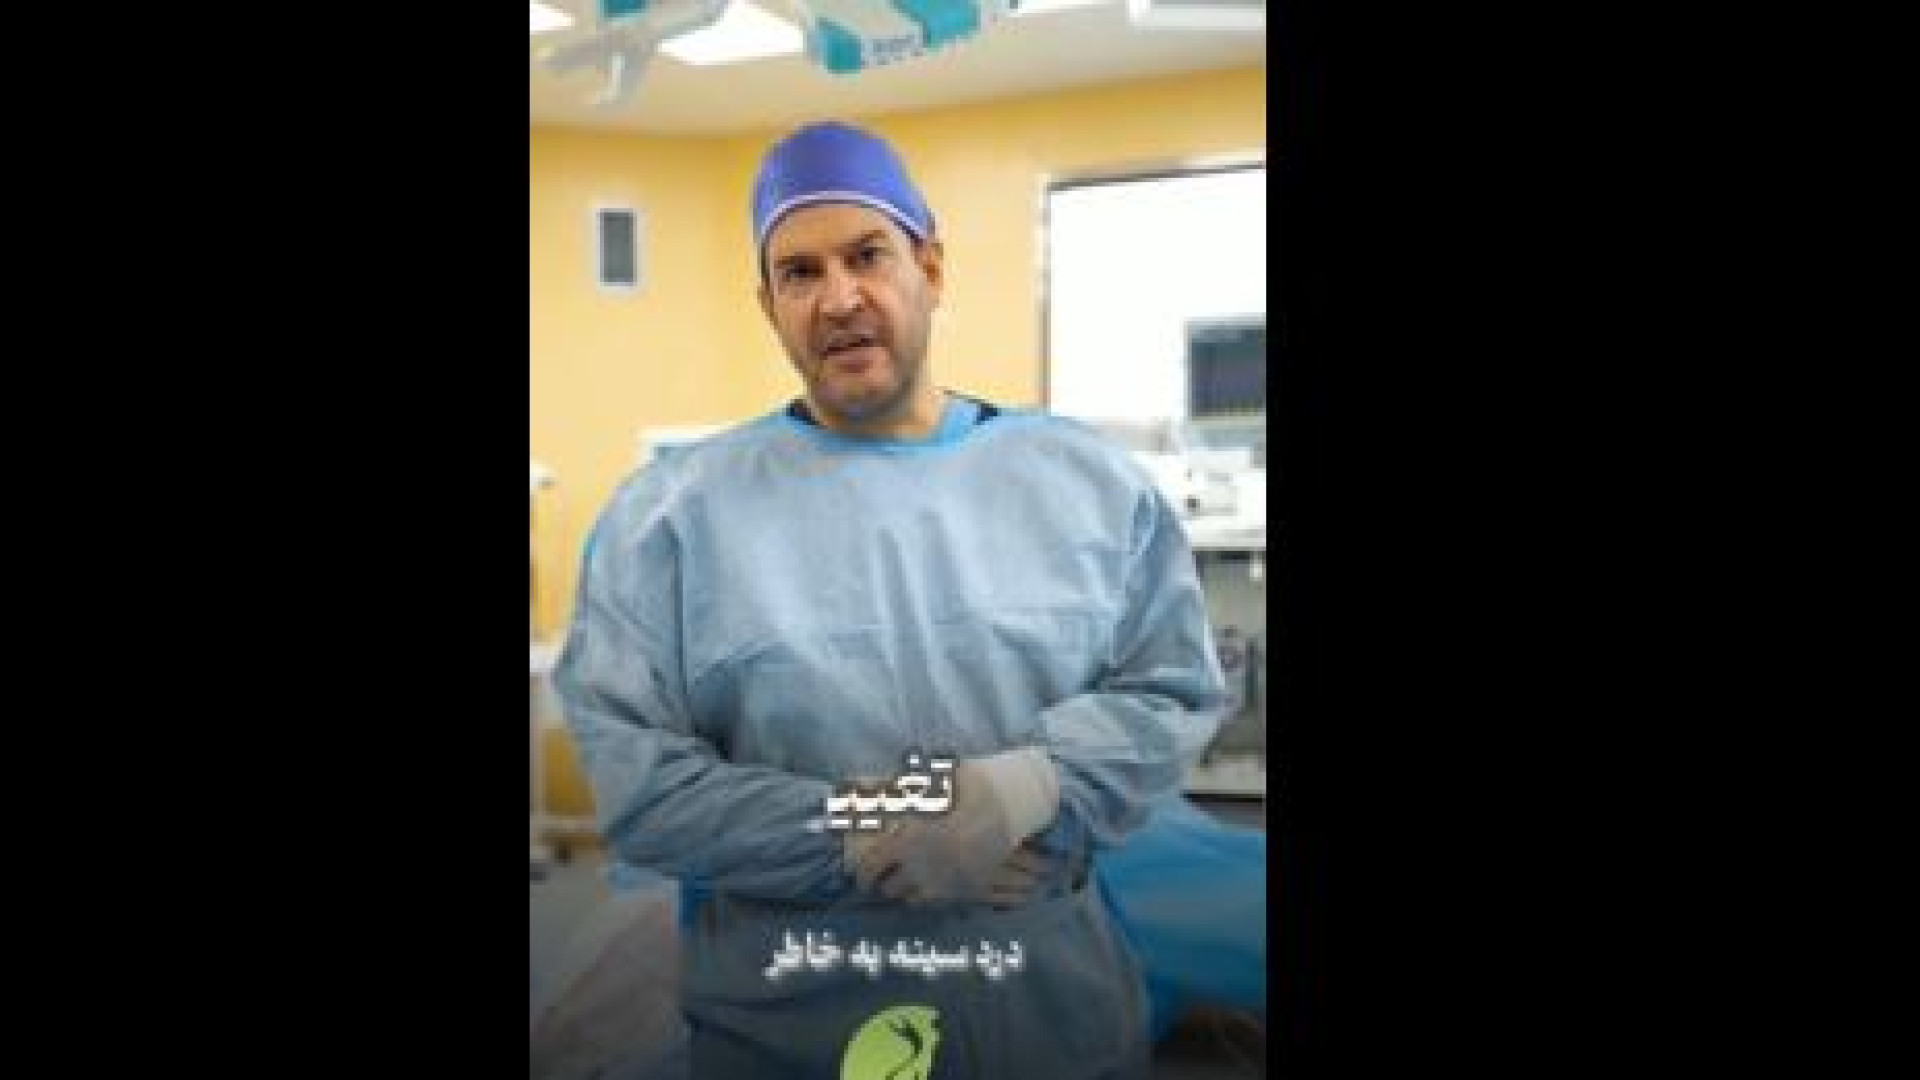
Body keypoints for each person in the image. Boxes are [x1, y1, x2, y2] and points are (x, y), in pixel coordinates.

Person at [552, 118, 1227, 1080]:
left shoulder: (1087, 486)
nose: (839, 299)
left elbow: (1171, 692)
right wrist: (867, 837)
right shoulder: (670, 520)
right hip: (792, 1021)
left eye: (867, 255)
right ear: (770, 307)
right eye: (800, 273)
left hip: (1049, 1006)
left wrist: (1025, 789)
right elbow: (641, 784)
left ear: (931, 269)